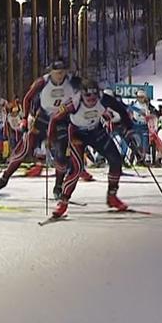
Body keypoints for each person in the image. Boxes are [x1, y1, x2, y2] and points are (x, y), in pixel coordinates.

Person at [0, 60, 81, 197]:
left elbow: (84, 95)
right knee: (25, 147)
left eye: (62, 73)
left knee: (60, 153)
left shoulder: (72, 81)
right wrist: (25, 118)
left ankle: (58, 186)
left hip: (61, 121)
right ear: (51, 72)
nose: (59, 76)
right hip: (42, 119)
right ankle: (3, 179)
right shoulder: (43, 81)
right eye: (56, 73)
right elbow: (27, 98)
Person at [49, 80, 138, 219]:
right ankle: (63, 202)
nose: (91, 100)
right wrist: (52, 139)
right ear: (82, 95)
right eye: (87, 97)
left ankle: (112, 196)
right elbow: (55, 119)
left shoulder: (103, 98)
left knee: (115, 160)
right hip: (77, 135)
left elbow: (121, 109)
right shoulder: (73, 103)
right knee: (77, 169)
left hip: (96, 131)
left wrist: (129, 128)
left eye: (94, 97)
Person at [128, 90, 152, 165]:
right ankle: (137, 159)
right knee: (138, 143)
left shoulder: (147, 106)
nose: (141, 99)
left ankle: (144, 159)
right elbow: (130, 114)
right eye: (139, 97)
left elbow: (150, 115)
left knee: (145, 144)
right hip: (136, 125)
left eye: (142, 97)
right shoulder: (134, 106)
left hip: (144, 126)